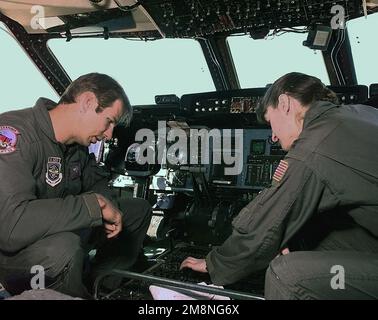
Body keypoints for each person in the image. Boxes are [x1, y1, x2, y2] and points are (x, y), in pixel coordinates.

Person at [180, 72, 378, 300]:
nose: (272, 136)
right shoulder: (362, 113)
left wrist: (214, 264)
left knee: (284, 275)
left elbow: (267, 222)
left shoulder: (315, 145)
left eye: (270, 122)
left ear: (284, 103)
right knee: (313, 235)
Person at [0, 73, 152, 298]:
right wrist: (94, 207)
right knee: (63, 248)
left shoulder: (76, 146)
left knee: (137, 211)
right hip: (14, 258)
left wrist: (106, 204)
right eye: (109, 121)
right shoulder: (15, 134)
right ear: (88, 102)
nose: (109, 135)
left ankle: (101, 287)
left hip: (58, 231)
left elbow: (98, 182)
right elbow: (11, 227)